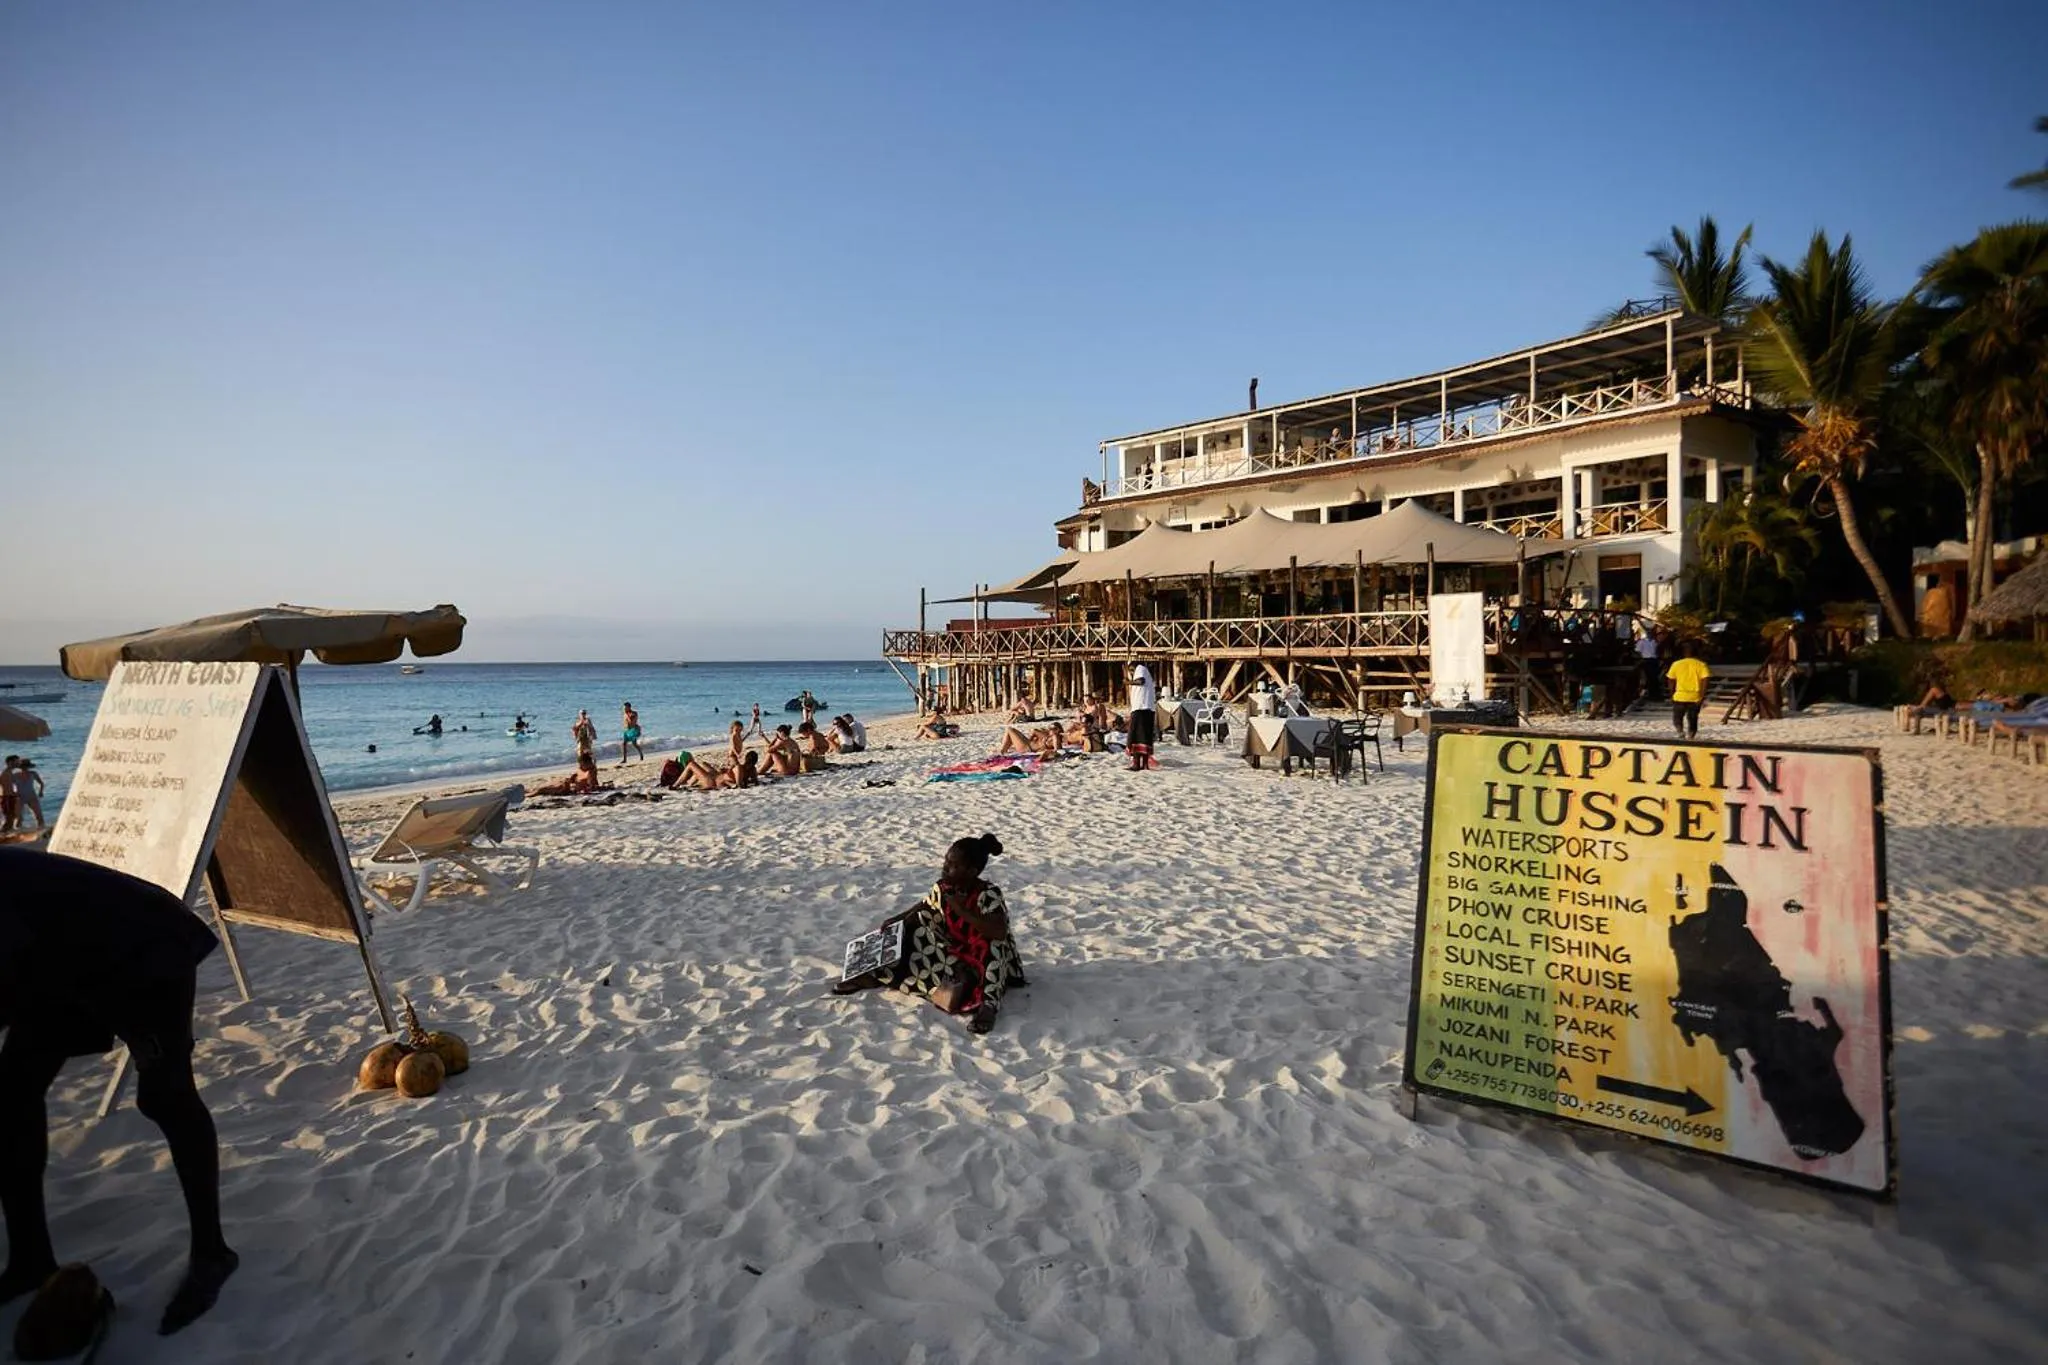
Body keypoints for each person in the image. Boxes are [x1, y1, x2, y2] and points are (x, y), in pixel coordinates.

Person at [0, 847, 240, 1334]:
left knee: (165, 1096)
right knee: (11, 1095)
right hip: (59, 963)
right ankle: (30, 1259)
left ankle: (213, 1252)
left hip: (145, 946)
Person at [835, 833, 1027, 1036]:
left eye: (953, 865)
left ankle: (989, 1005)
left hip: (985, 959)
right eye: (946, 861)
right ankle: (880, 973)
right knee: (916, 922)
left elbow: (998, 931)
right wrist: (898, 919)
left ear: (971, 871)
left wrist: (961, 909)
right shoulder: (943, 887)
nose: (945, 867)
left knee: (993, 944)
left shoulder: (988, 893)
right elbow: (923, 906)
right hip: (954, 951)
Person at [1666, 639, 1711, 740]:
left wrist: (1672, 693)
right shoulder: (1701, 664)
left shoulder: (1676, 664)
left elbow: (1670, 680)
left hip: (1680, 695)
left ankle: (1680, 731)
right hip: (1695, 696)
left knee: (1677, 717)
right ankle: (1691, 735)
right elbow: (1705, 680)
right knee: (1693, 718)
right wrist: (1702, 695)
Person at [1125, 663, 1158, 771]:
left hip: (1140, 708)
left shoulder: (1140, 669)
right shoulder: (1146, 673)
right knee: (1144, 737)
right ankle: (1144, 764)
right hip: (1147, 709)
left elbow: (1140, 681)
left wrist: (1128, 682)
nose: (1131, 673)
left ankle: (1136, 764)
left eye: (1131, 671)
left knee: (1136, 736)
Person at [8, 760, 45, 832]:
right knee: (19, 818)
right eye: (23, 766)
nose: (24, 768)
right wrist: (13, 793)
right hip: (20, 798)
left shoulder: (33, 773)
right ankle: (17, 832)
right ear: (20, 767)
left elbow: (41, 783)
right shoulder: (15, 775)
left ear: (28, 767)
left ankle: (41, 831)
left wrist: (41, 792)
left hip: (32, 797)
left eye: (26, 766)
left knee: (39, 815)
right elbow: (7, 785)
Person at [997, 725, 1063, 758]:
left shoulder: (1055, 737)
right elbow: (1035, 731)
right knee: (1012, 731)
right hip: (1028, 744)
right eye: (1050, 728)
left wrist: (1048, 753)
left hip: (1027, 748)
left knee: (1009, 729)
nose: (1049, 729)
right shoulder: (1049, 736)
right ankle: (1003, 750)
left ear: (1057, 730)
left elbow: (1057, 750)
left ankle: (1002, 751)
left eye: (1052, 728)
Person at [572, 710, 599, 784]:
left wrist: (588, 726)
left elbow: (592, 730)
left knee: (589, 755)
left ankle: (591, 769)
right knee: (580, 755)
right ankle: (581, 769)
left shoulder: (588, 721)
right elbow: (574, 729)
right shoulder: (578, 721)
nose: (583, 715)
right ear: (579, 714)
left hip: (587, 741)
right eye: (582, 714)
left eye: (584, 713)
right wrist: (581, 723)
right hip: (581, 740)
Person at [1634, 627, 1662, 702]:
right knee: (1649, 678)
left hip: (1654, 660)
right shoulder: (1642, 642)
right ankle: (1650, 694)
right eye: (1648, 632)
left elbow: (1657, 651)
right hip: (1646, 660)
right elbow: (1638, 651)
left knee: (1655, 678)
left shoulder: (1655, 642)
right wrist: (1641, 659)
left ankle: (1655, 694)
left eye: (1651, 632)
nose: (1650, 634)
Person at [619, 702, 644, 766]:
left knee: (626, 743)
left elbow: (631, 722)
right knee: (631, 744)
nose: (624, 709)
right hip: (626, 731)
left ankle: (626, 759)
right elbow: (625, 723)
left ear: (629, 707)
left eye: (625, 708)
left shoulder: (634, 713)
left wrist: (628, 715)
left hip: (633, 730)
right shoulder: (624, 714)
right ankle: (626, 759)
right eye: (623, 708)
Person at [1, 756, 18, 834]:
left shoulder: (10, 772)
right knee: (9, 818)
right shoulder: (5, 773)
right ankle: (2, 833)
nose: (18, 763)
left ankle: (6, 833)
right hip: (7, 798)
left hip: (10, 797)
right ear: (10, 762)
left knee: (13, 817)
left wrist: (14, 793)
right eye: (16, 762)